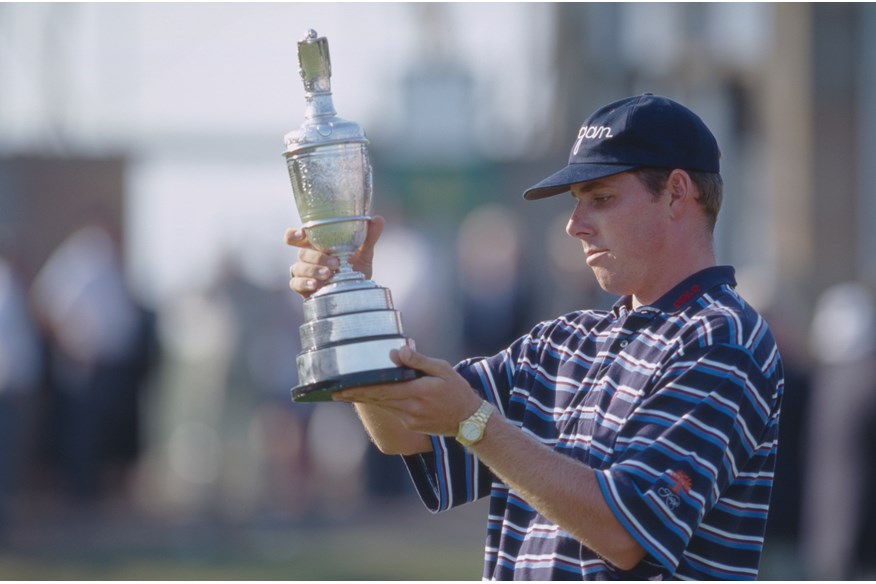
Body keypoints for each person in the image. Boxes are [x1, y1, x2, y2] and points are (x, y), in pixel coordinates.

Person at [285, 93, 784, 580]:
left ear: (677, 193)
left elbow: (626, 532)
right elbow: (405, 433)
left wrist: (474, 421)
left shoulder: (723, 338)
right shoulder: (562, 342)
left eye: (601, 199)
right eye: (577, 202)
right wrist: (350, 297)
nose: (574, 225)